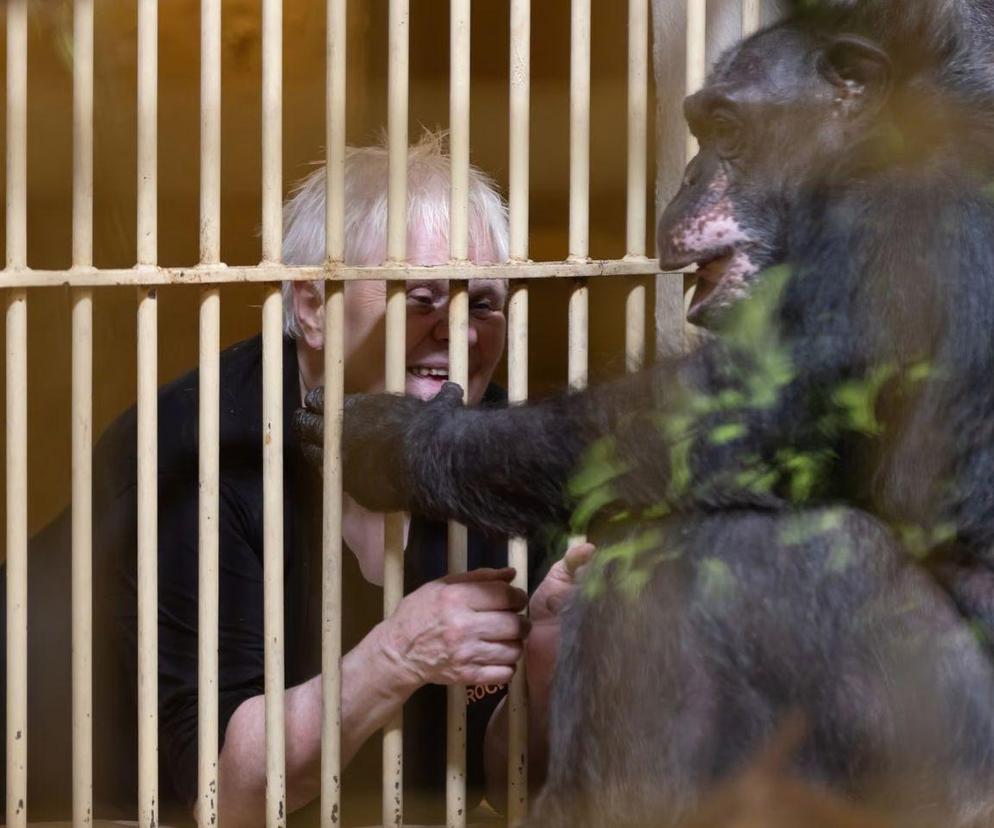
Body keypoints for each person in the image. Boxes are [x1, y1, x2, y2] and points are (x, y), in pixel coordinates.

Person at [1, 132, 584, 827]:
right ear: (311, 307)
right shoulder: (198, 453)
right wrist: (398, 654)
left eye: (483, 305)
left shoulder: (495, 447)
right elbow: (226, 798)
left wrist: (547, 663)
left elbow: (509, 784)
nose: (459, 335)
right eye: (423, 297)